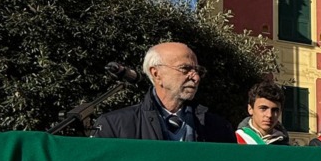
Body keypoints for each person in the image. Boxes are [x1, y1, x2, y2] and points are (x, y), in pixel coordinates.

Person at [91, 42, 234, 142]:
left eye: (198, 71)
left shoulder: (218, 128)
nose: (195, 77)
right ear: (156, 74)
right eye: (185, 69)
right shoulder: (115, 125)